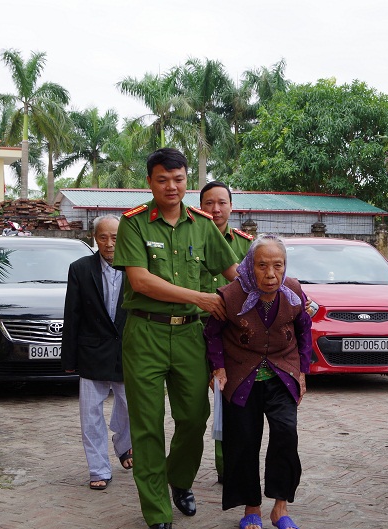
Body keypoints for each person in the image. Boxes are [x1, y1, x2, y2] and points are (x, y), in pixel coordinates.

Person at [113, 148, 240, 529]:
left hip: (189, 336)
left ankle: (179, 480)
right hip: (145, 334)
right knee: (148, 424)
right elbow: (140, 280)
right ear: (150, 181)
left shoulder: (202, 224)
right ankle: (156, 510)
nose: (172, 186)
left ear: (187, 180)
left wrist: (280, 296)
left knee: (194, 418)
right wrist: (200, 297)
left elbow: (234, 273)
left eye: (179, 179)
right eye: (163, 179)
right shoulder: (133, 223)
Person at [204, 234, 312, 529]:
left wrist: (303, 371)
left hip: (282, 375)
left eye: (278, 265)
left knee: (286, 435)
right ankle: (252, 508)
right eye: (262, 265)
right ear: (250, 266)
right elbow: (211, 333)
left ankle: (280, 507)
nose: (270, 274)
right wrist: (219, 368)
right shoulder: (230, 295)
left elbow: (305, 331)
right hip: (243, 377)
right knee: (243, 443)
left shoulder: (293, 291)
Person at [61, 215, 132, 491]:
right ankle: (98, 468)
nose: (109, 243)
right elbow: (72, 314)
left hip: (127, 353)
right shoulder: (79, 269)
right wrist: (69, 359)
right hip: (92, 353)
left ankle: (124, 445)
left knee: (130, 409)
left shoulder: (136, 267)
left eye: (115, 237)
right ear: (95, 238)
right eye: (103, 237)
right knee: (90, 414)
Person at [198, 180, 253, 484]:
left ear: (232, 207)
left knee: (229, 403)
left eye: (222, 203)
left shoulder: (246, 245)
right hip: (192, 332)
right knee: (194, 408)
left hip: (230, 339)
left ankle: (227, 469)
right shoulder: (189, 237)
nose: (216, 209)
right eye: (209, 203)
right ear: (200, 207)